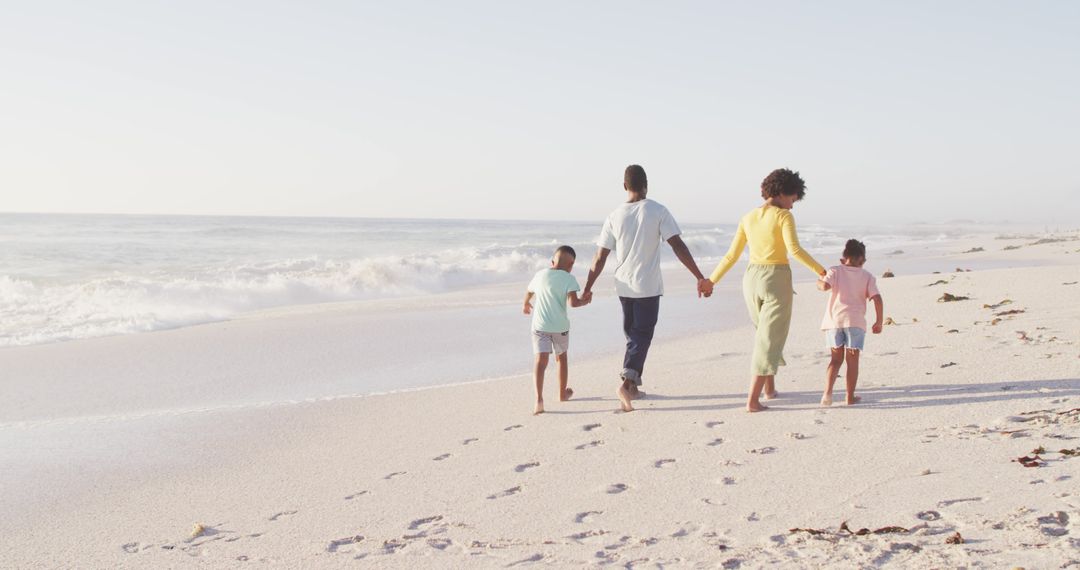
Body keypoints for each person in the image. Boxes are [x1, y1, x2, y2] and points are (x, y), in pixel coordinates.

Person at [582, 164, 713, 413]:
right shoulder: (657, 210)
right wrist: (699, 276)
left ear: (624, 186)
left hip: (622, 286)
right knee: (641, 335)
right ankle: (627, 382)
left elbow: (599, 257)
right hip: (647, 286)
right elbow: (678, 245)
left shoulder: (614, 215)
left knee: (633, 336)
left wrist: (588, 288)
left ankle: (631, 385)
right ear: (646, 186)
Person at [707, 168, 825, 412]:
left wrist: (711, 281)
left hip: (751, 279)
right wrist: (822, 272)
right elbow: (794, 250)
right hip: (776, 278)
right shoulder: (783, 217)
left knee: (763, 334)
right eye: (792, 200)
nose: (792, 207)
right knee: (768, 340)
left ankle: (769, 389)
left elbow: (731, 256)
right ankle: (752, 401)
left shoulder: (747, 217)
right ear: (782, 193)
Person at [523, 245, 590, 415]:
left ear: (552, 261)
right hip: (560, 327)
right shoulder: (569, 279)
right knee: (561, 359)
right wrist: (585, 301)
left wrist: (525, 303)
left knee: (540, 361)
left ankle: (538, 399)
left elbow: (529, 291)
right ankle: (562, 394)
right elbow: (573, 303)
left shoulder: (540, 275)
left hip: (539, 326)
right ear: (571, 265)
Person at [816, 239, 884, 406]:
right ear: (863, 260)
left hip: (834, 322)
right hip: (855, 323)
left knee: (835, 360)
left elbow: (824, 287)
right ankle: (849, 396)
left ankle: (827, 394)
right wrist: (879, 321)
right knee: (852, 362)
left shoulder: (835, 270)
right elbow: (877, 299)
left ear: (843, 258)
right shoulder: (868, 276)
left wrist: (819, 281)